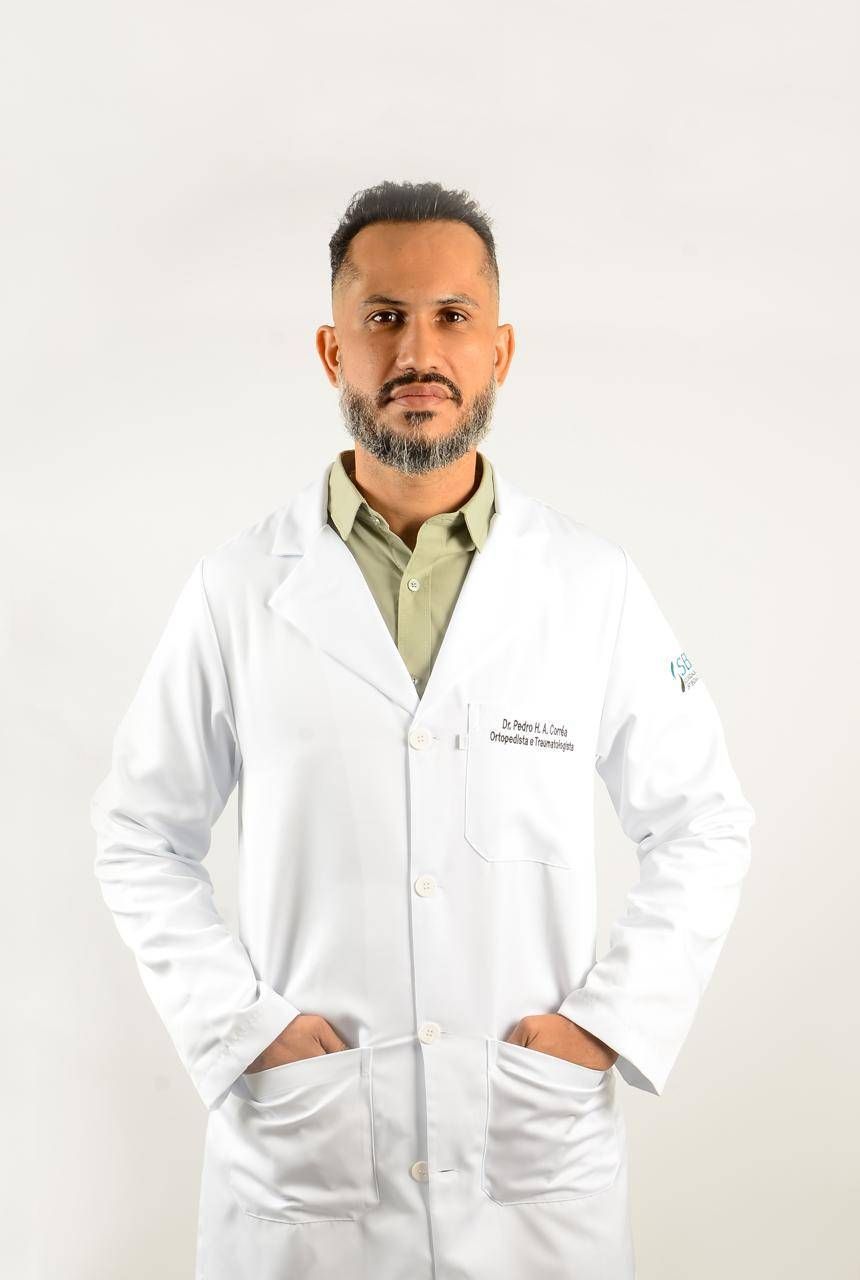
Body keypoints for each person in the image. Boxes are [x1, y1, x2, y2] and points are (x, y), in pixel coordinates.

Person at [91, 179, 755, 1279]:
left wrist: (605, 1024)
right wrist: (243, 1028)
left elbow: (703, 822)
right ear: (331, 350)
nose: (417, 352)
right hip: (307, 1157)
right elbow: (137, 833)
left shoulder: (591, 586)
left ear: (499, 350)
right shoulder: (237, 589)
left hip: (529, 1154)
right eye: (383, 317)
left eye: (452, 317)